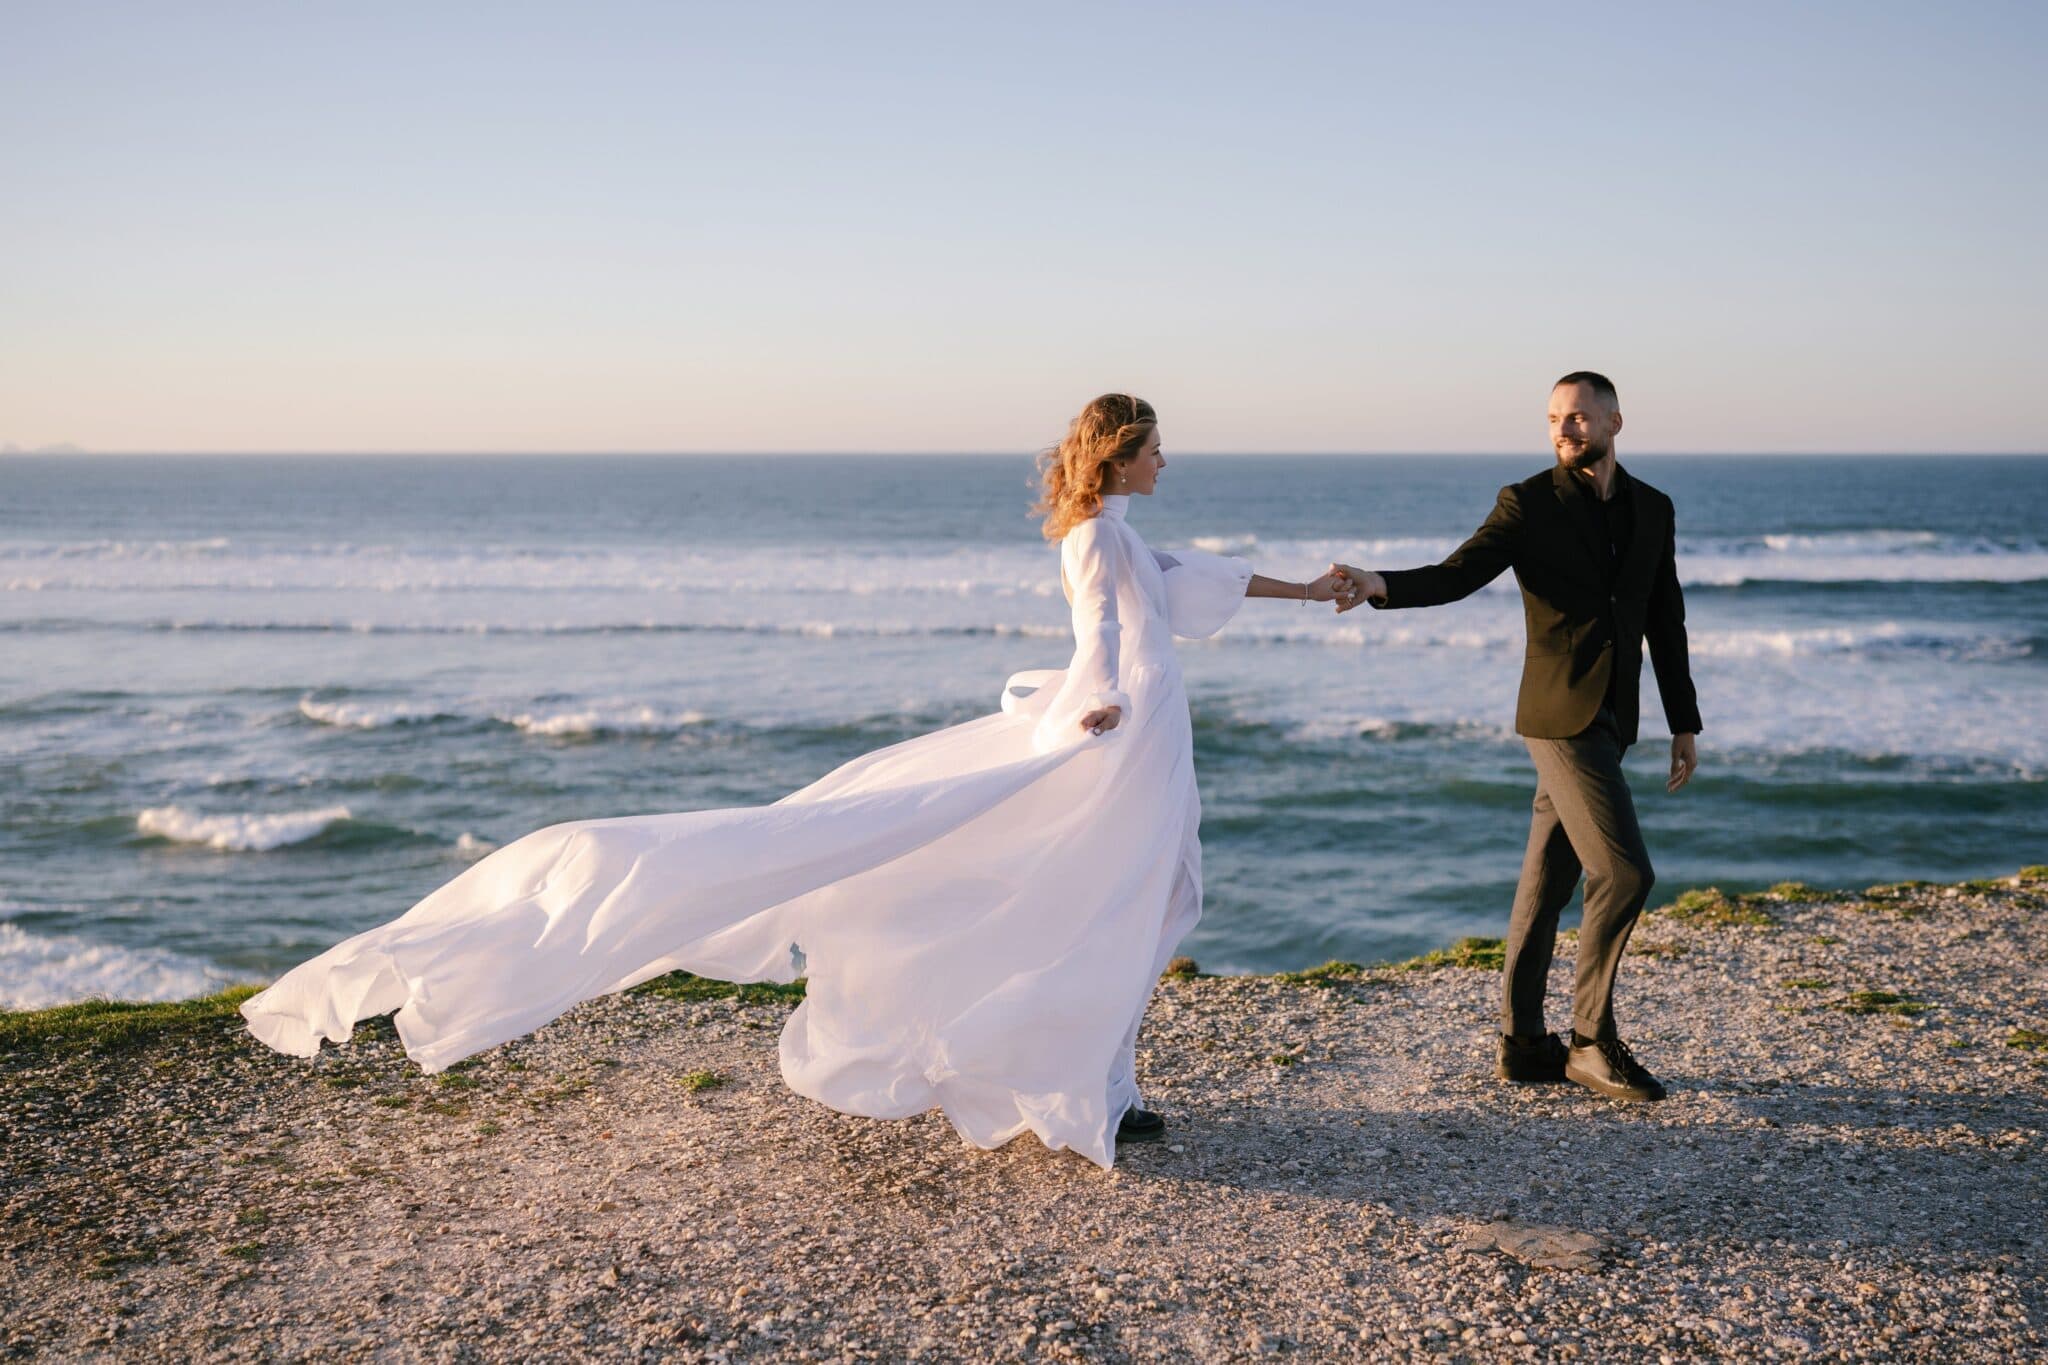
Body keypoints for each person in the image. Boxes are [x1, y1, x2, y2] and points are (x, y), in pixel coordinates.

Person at [241, 392, 1340, 1167]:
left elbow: (1204, 580)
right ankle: (1096, 1088)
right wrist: (1089, 709)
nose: (1165, 464)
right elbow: (1098, 627)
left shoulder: (1121, 530)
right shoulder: (1094, 540)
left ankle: (1098, 1081)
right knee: (1120, 903)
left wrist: (1316, 588)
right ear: (1117, 455)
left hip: (1139, 729)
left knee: (1145, 900)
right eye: (1153, 450)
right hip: (1118, 731)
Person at [1329, 371, 1702, 1102]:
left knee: (1547, 879)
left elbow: (1666, 617)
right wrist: (1379, 581)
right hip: (1558, 718)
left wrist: (1682, 719)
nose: (1566, 430)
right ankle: (1592, 1042)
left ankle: (1524, 1041)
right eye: (1555, 419)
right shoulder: (1527, 503)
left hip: (1614, 717)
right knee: (1626, 873)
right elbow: (1459, 573)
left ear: (1614, 422)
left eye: (1580, 418)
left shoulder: (1653, 508)